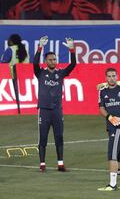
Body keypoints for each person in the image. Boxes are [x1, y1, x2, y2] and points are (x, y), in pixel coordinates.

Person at [33, 35, 76, 172]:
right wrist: (40, 47)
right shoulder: (40, 73)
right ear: (45, 61)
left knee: (59, 136)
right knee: (43, 138)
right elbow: (34, 63)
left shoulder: (61, 73)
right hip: (44, 110)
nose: (53, 61)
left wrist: (72, 50)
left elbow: (73, 65)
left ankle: (60, 164)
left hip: (57, 110)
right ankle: (42, 165)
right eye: (50, 59)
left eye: (55, 59)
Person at [1, 34, 29, 113]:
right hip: (24, 78)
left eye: (9, 40)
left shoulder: (10, 50)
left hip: (11, 77)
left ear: (12, 41)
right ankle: (22, 111)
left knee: (13, 97)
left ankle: (15, 111)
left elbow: (2, 65)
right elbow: (27, 64)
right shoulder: (24, 50)